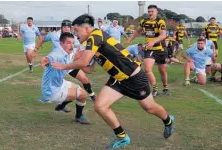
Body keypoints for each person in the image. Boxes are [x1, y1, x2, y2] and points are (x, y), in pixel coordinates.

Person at [51, 14, 175, 150]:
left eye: (76, 30)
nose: (75, 35)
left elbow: (85, 62)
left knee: (149, 107)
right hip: (118, 78)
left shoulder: (95, 36)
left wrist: (64, 66)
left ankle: (168, 121)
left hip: (134, 77)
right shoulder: (91, 42)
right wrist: (76, 61)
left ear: (86, 28)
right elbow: (89, 68)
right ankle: (122, 137)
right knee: (100, 106)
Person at [35, 19, 96, 112]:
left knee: (84, 79)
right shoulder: (54, 35)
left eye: (68, 27)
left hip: (69, 63)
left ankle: (91, 95)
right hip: (58, 63)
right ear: (61, 27)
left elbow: (79, 48)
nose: (67, 28)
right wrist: (36, 50)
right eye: (65, 26)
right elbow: (43, 40)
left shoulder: (74, 37)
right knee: (62, 85)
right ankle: (57, 98)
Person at [39, 32, 90, 124]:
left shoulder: (66, 53)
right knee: (82, 95)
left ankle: (61, 106)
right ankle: (78, 117)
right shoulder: (57, 53)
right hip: (52, 90)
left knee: (78, 89)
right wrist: (45, 60)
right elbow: (49, 57)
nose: (71, 45)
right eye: (68, 43)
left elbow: (66, 66)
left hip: (59, 83)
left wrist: (75, 59)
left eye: (72, 43)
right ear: (61, 43)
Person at [123, 4, 169, 96]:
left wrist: (154, 41)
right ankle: (155, 89)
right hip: (149, 48)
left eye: (152, 11)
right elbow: (137, 30)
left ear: (157, 12)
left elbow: (163, 35)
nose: (150, 13)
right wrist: (130, 39)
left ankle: (165, 87)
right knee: (147, 69)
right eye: (149, 11)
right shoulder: (144, 21)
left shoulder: (160, 22)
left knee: (162, 70)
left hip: (160, 49)